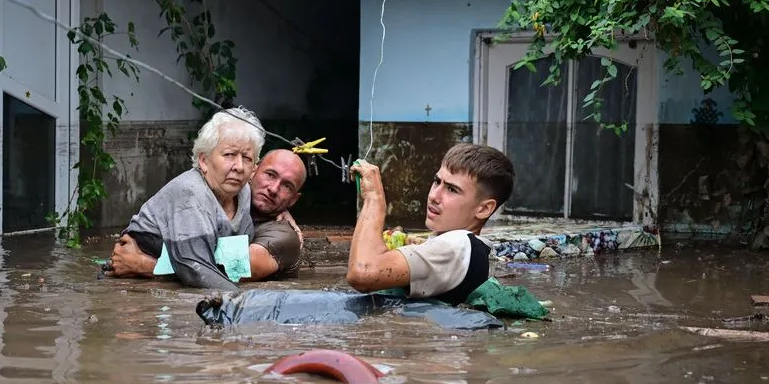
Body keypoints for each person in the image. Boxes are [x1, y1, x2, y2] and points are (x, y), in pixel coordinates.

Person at [112, 107, 265, 292]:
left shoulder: (244, 193)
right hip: (134, 287)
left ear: (254, 169)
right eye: (229, 155)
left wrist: (145, 265)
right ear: (203, 160)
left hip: (160, 275)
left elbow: (228, 268)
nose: (239, 167)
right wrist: (248, 304)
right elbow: (195, 270)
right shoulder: (191, 192)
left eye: (247, 158)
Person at [344, 143, 515, 303]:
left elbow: (362, 272)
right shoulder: (475, 249)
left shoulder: (457, 244)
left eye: (452, 189)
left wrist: (374, 197)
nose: (434, 196)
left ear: (484, 209)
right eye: (437, 181)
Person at [106, 148, 308, 282]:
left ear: (293, 199)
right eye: (270, 175)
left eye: (286, 186)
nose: (273, 188)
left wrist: (143, 265)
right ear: (252, 171)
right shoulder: (222, 199)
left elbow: (230, 271)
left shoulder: (284, 236)